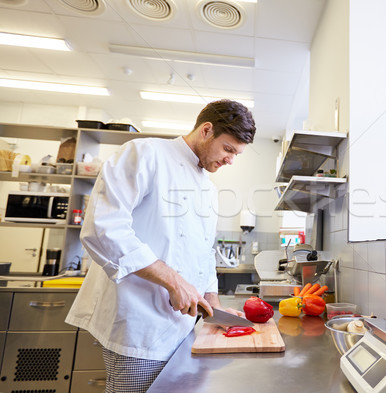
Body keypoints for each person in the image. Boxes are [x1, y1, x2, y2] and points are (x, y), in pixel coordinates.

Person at [65, 99, 256, 392]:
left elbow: (204, 250)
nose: (231, 159)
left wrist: (214, 303)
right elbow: (103, 228)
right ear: (206, 130)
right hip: (138, 325)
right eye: (228, 149)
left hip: (182, 327)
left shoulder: (208, 187)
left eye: (236, 154)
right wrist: (173, 281)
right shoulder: (144, 154)